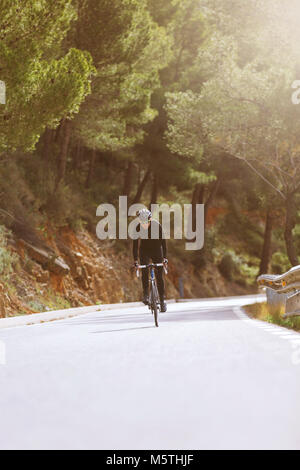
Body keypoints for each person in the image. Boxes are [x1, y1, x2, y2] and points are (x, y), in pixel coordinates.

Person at [133, 209, 168, 312]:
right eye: (142, 222)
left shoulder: (157, 225)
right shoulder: (137, 228)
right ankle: (146, 294)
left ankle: (161, 300)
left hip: (157, 250)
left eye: (146, 222)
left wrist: (165, 258)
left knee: (159, 275)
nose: (144, 224)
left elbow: (164, 243)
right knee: (144, 270)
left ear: (150, 219)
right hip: (144, 251)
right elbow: (135, 246)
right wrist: (135, 260)